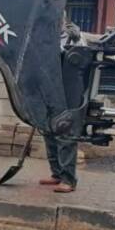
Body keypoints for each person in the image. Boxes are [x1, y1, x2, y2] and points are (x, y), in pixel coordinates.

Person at [40, 21, 84, 193]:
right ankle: (57, 174)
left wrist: (77, 40)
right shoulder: (42, 37)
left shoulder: (75, 37)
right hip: (48, 91)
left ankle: (68, 179)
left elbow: (81, 58)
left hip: (68, 92)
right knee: (48, 132)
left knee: (65, 133)